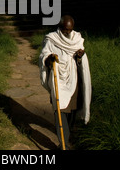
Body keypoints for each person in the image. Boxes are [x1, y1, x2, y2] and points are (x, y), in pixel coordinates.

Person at [38, 15, 92, 150]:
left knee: (72, 111)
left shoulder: (77, 39)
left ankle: (67, 136)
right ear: (60, 28)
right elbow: (43, 56)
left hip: (73, 80)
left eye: (70, 30)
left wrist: (80, 57)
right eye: (65, 30)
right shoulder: (52, 39)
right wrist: (49, 59)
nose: (68, 33)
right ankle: (63, 144)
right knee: (60, 110)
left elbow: (81, 60)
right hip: (58, 80)